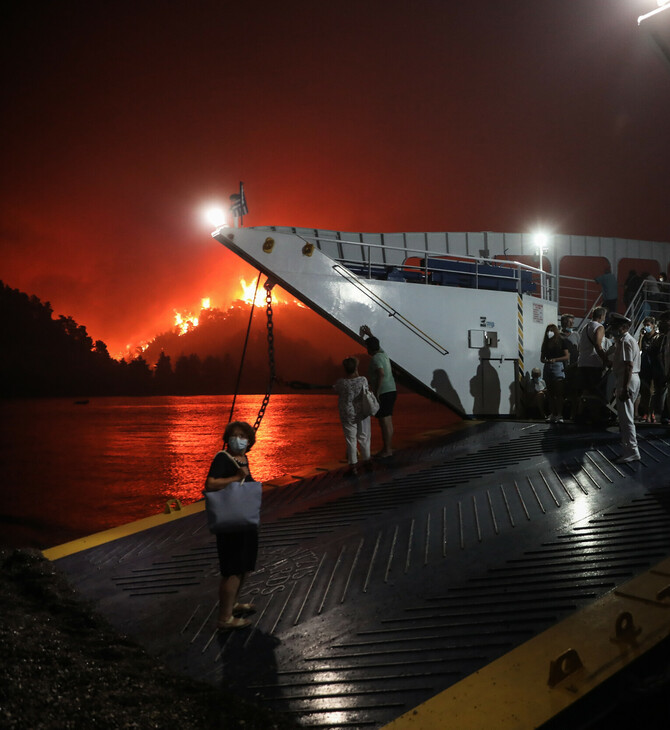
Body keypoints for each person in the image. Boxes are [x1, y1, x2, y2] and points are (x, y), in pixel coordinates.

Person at [205, 421, 258, 630]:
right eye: (235, 435)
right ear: (227, 439)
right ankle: (225, 618)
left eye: (243, 436)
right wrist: (236, 477)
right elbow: (210, 484)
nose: (239, 439)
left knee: (243, 567)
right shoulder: (222, 458)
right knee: (233, 570)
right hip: (231, 525)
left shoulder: (243, 459)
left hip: (244, 522)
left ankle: (233, 604)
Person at [607, 314, 641, 463]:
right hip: (627, 379)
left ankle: (632, 451)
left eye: (616, 327)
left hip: (627, 379)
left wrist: (624, 387)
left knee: (626, 419)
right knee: (625, 417)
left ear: (625, 328)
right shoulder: (622, 341)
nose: (613, 330)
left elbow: (628, 366)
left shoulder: (627, 341)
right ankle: (629, 450)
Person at [360, 325, 396, 457]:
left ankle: (387, 450)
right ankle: (389, 448)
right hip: (392, 390)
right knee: (388, 420)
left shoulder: (376, 358)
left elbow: (380, 373)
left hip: (384, 392)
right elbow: (376, 344)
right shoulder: (383, 354)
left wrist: (377, 392)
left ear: (369, 348)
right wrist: (369, 334)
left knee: (384, 422)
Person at [333, 356, 371, 472]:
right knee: (364, 437)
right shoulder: (363, 380)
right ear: (356, 368)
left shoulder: (341, 383)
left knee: (351, 439)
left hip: (347, 413)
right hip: (362, 412)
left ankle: (353, 467)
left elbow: (335, 389)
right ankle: (367, 463)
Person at [540, 323, 570, 423]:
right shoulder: (545, 343)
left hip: (558, 366)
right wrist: (546, 361)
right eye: (548, 330)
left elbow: (566, 356)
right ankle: (553, 413)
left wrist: (555, 359)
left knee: (559, 392)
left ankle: (560, 414)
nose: (550, 332)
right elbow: (542, 358)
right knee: (550, 393)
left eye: (552, 330)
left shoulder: (561, 341)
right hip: (548, 367)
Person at [577, 306, 608, 397]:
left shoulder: (585, 327)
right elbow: (598, 345)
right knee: (595, 393)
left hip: (582, 363)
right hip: (593, 363)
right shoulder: (599, 327)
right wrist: (605, 359)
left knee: (585, 391)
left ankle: (581, 410)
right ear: (601, 316)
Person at [637, 317, 663, 423]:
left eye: (648, 325)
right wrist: (641, 338)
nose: (646, 327)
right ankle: (645, 412)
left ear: (653, 325)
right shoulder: (644, 338)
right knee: (644, 391)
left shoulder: (657, 337)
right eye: (645, 325)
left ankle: (651, 413)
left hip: (654, 366)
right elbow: (639, 350)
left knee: (652, 391)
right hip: (644, 366)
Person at [560, 313, 580, 419]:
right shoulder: (558, 336)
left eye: (572, 323)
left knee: (574, 392)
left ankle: (573, 414)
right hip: (561, 368)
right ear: (563, 323)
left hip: (573, 368)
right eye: (569, 322)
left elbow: (579, 350)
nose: (571, 325)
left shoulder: (576, 335)